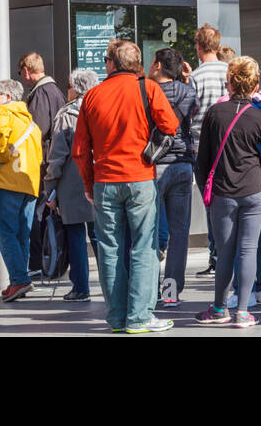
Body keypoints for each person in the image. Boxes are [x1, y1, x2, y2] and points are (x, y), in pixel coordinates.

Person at [73, 39, 179, 334]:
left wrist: (87, 183)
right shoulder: (148, 88)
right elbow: (170, 125)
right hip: (141, 176)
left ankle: (118, 317)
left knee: (109, 249)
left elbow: (80, 149)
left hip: (105, 181)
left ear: (111, 63)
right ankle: (140, 317)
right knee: (144, 248)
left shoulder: (92, 96)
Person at [194, 56, 261, 328]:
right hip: (254, 189)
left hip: (223, 192)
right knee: (248, 250)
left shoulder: (214, 114)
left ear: (228, 81)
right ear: (255, 83)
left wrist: (206, 190)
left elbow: (203, 160)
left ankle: (220, 308)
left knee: (225, 252)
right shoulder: (259, 116)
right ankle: (243, 312)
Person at [44, 68, 98, 301]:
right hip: (99, 179)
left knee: (75, 235)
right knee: (101, 236)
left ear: (75, 88)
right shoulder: (101, 109)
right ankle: (112, 284)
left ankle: (80, 287)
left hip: (72, 182)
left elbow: (57, 154)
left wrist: (50, 186)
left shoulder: (67, 114)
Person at [0, 78, 43, 303]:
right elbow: (39, 155)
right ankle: (18, 280)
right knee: (22, 234)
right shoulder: (31, 122)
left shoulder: (2, 114)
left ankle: (19, 279)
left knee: (5, 233)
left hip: (8, 181)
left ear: (8, 97)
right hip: (30, 184)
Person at [150, 47, 197, 306]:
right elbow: (193, 123)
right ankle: (171, 292)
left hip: (154, 165)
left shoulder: (147, 92)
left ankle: (150, 287)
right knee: (179, 231)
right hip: (181, 164)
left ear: (158, 66)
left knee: (150, 230)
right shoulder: (189, 92)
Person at [19, 51, 66, 277]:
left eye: (21, 73)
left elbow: (37, 131)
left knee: (37, 212)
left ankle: (38, 262)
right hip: (56, 161)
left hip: (43, 163)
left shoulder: (40, 93)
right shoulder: (56, 91)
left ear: (27, 71)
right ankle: (52, 260)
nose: (22, 78)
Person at [189, 24, 229, 276]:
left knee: (209, 200)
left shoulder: (196, 76)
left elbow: (191, 110)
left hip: (201, 143)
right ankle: (225, 252)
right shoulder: (229, 71)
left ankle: (216, 254)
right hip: (228, 141)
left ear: (198, 46)